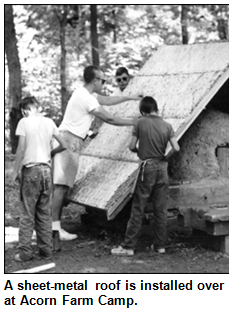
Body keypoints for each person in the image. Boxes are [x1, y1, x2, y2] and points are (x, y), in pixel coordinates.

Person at [52, 65, 142, 241]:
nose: (104, 82)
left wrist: (130, 97)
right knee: (61, 187)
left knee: (60, 187)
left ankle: (51, 226)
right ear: (95, 80)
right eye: (102, 80)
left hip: (70, 140)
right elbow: (109, 118)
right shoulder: (86, 98)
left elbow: (107, 100)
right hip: (70, 141)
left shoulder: (85, 94)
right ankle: (55, 229)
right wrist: (134, 122)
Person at [111, 96, 180, 256]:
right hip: (162, 168)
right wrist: (165, 158)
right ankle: (160, 246)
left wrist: (141, 152)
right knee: (160, 209)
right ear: (157, 109)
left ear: (142, 111)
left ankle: (128, 247)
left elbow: (131, 146)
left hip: (147, 167)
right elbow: (176, 148)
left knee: (138, 208)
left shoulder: (140, 122)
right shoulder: (167, 125)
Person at [11, 97, 68, 262]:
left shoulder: (24, 122)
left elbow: (21, 149)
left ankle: (25, 253)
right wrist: (50, 153)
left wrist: (15, 171)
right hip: (46, 171)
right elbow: (64, 145)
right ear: (37, 107)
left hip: (31, 171)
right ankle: (46, 251)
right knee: (44, 213)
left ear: (24, 110)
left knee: (27, 213)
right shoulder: (49, 122)